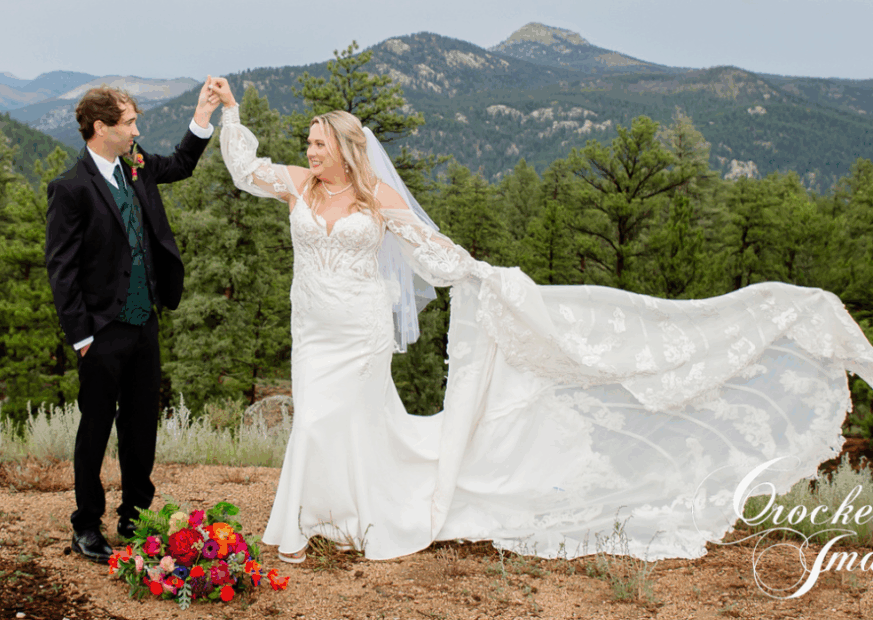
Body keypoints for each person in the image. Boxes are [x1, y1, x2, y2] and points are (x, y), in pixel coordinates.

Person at [209, 78, 873, 565]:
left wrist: (482, 275)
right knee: (328, 418)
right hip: (314, 329)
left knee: (340, 418)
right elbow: (244, 169)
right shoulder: (297, 185)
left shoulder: (376, 196)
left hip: (358, 330)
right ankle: (324, 517)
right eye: (308, 142)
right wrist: (228, 113)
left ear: (348, 149)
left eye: (318, 143)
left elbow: (429, 253)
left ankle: (328, 524)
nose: (310, 149)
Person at [45, 80, 220, 563]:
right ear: (101, 128)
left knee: (142, 425)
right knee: (96, 428)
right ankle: (87, 525)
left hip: (145, 324)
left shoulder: (136, 167)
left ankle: (135, 517)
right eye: (129, 124)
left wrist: (203, 113)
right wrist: (82, 336)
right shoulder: (70, 188)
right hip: (100, 332)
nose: (137, 132)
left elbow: (182, 164)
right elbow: (61, 269)